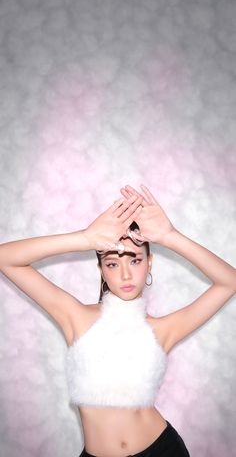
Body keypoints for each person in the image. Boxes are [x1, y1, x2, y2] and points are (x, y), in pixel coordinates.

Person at [0, 184, 235, 457]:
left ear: (150, 262)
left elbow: (229, 282)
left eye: (135, 260)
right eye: (112, 263)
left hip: (162, 450)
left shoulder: (162, 329)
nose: (125, 274)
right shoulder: (75, 317)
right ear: (101, 269)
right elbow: (6, 259)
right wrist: (85, 238)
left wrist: (170, 236)